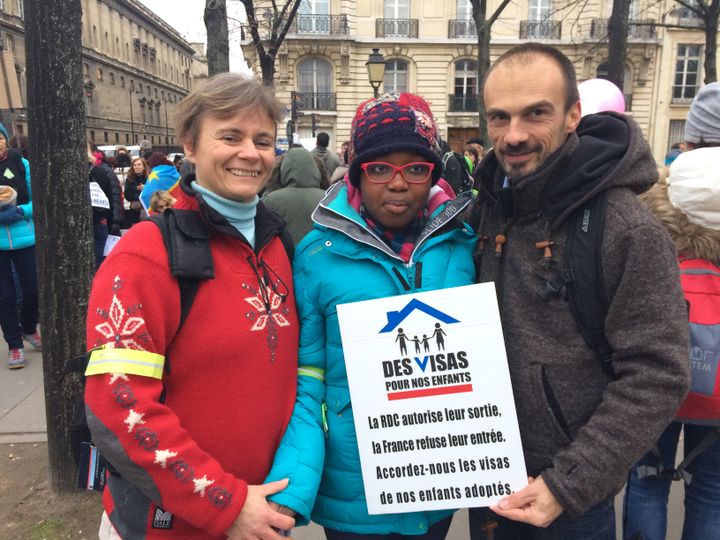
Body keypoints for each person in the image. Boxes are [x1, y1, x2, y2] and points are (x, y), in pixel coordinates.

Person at [470, 43, 690, 539]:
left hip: (566, 502)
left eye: (536, 114)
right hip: (485, 479)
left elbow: (658, 372)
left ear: (573, 116)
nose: (515, 135)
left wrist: (569, 483)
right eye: (499, 118)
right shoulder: (490, 209)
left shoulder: (624, 228)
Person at [84, 73, 299, 540]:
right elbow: (116, 405)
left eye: (263, 140)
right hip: (173, 527)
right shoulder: (145, 253)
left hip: (262, 517)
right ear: (191, 145)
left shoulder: (278, 242)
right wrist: (224, 503)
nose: (250, 152)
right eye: (230, 136)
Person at [264, 92, 477, 537]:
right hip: (355, 495)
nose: (398, 184)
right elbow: (307, 380)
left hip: (443, 483)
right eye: (380, 168)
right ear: (358, 173)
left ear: (433, 173)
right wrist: (292, 491)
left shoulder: (462, 246)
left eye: (416, 168)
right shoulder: (316, 258)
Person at [623, 81, 720, 540]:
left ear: (690, 139)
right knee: (713, 491)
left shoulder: (661, 189)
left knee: (647, 479)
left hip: (658, 362)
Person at [0, 123, 40, 369]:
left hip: (24, 235)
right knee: (5, 297)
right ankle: (14, 346)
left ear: (5, 140)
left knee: (32, 289)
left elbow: (39, 199)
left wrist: (21, 211)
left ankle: (28, 328)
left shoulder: (21, 163)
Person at [263, 146, 326, 245]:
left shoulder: (271, 199)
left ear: (283, 169)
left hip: (284, 256)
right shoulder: (328, 198)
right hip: (318, 256)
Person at [87, 143, 117, 269]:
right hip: (99, 222)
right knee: (100, 265)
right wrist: (111, 225)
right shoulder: (99, 171)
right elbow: (109, 202)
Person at [122, 156, 149, 227]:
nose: (136, 167)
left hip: (147, 209)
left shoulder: (149, 178)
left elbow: (153, 192)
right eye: (134, 165)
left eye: (139, 165)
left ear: (144, 167)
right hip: (135, 210)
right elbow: (127, 196)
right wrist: (139, 197)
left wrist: (145, 188)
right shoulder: (130, 179)